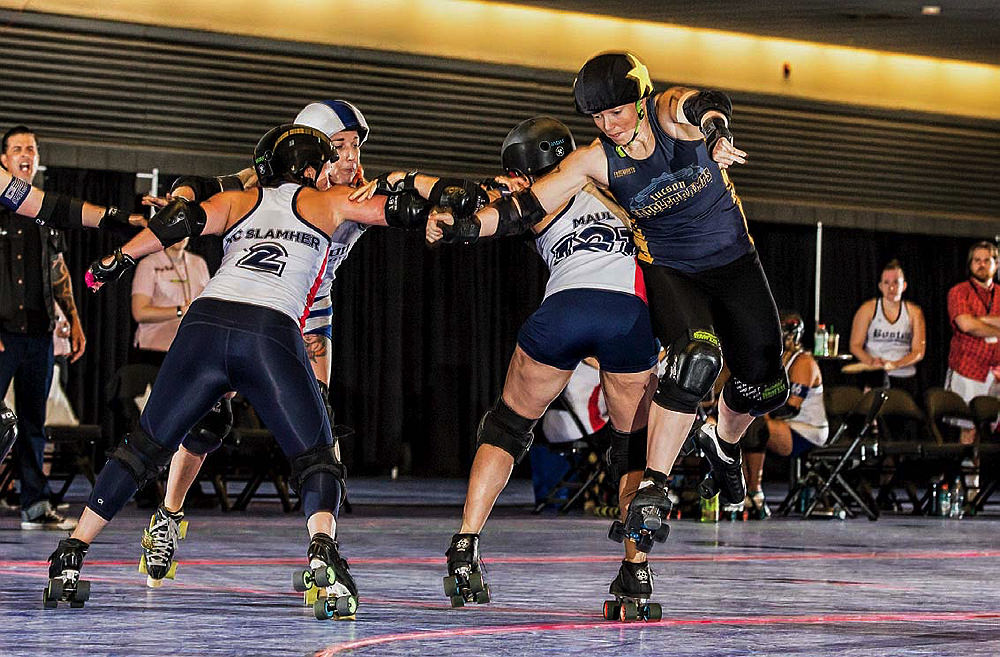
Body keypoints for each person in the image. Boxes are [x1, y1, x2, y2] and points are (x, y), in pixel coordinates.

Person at [28, 123, 430, 615]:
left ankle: (72, 552)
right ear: (309, 170)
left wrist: (118, 258)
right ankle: (322, 551)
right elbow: (405, 211)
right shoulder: (328, 200)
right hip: (268, 331)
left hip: (205, 324)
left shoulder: (239, 199)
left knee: (144, 447)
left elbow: (180, 220)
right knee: (317, 455)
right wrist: (439, 201)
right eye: (327, 163)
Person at [430, 52, 787, 536]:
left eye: (615, 112)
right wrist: (468, 228)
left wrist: (717, 133)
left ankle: (722, 441)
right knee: (696, 359)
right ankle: (654, 484)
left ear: (640, 101)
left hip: (733, 260)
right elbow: (526, 207)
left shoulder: (668, 115)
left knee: (767, 385)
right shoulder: (593, 159)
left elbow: (705, 102)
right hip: (671, 267)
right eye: (597, 118)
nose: (609, 126)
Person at [423, 117, 658, 610]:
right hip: (627, 316)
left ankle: (465, 545)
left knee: (507, 426)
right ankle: (635, 571)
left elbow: (470, 203)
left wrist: (437, 205)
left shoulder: (534, 196)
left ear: (520, 170)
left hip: (564, 311)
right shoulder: (615, 182)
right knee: (631, 448)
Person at [136, 100, 372, 589]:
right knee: (207, 420)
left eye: (356, 146)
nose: (352, 157)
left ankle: (322, 548)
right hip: (250, 302)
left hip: (310, 311)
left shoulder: (361, 190)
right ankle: (168, 516)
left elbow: (418, 198)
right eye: (341, 147)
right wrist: (181, 196)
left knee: (319, 431)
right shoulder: (263, 181)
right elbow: (202, 185)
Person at [0, 125, 86, 530]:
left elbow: (58, 270)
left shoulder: (45, 211)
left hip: (38, 334)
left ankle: (34, 506)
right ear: (3, 159)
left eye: (31, 149)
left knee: (34, 423)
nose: (25, 154)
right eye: (17, 148)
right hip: (2, 333)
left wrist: (75, 319)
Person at [741, 312, 828, 518]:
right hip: (786, 425)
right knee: (738, 426)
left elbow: (791, 408)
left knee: (756, 426)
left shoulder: (803, 362)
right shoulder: (778, 360)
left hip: (808, 430)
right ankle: (742, 492)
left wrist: (762, 412)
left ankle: (755, 491)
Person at [945, 241, 1000, 445]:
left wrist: (981, 319)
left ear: (996, 264)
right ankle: (968, 467)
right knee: (969, 430)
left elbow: (973, 321)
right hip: (968, 370)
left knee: (993, 431)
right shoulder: (959, 291)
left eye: (987, 260)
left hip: (997, 372)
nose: (982, 264)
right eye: (977, 260)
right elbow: (966, 324)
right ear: (970, 264)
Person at [848, 260, 926, 398]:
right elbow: (855, 345)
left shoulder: (914, 312)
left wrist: (895, 364)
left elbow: (919, 351)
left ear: (904, 286)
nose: (891, 288)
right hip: (875, 375)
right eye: (886, 283)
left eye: (896, 282)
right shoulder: (867, 309)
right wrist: (872, 361)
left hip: (904, 377)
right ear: (880, 286)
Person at [130, 237, 211, 366]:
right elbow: (139, 313)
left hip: (191, 349)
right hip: (155, 351)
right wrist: (179, 311)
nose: (182, 236)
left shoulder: (199, 263)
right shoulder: (148, 264)